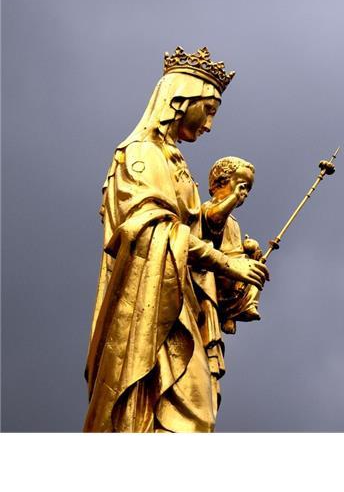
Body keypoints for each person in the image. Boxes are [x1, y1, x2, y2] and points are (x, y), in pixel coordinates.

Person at [84, 46, 268, 432]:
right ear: (180, 99)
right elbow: (150, 229)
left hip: (182, 306)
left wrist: (228, 252)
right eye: (210, 109)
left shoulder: (175, 162)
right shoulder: (139, 155)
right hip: (151, 315)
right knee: (188, 417)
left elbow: (188, 230)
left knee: (197, 415)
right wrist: (224, 262)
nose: (210, 126)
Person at [204, 155, 265, 335]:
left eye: (248, 190)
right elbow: (213, 221)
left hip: (236, 261)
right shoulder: (209, 208)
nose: (244, 193)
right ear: (220, 182)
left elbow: (236, 245)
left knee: (256, 268)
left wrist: (252, 250)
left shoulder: (233, 221)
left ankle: (240, 308)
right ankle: (229, 311)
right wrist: (232, 200)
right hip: (218, 264)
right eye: (242, 186)